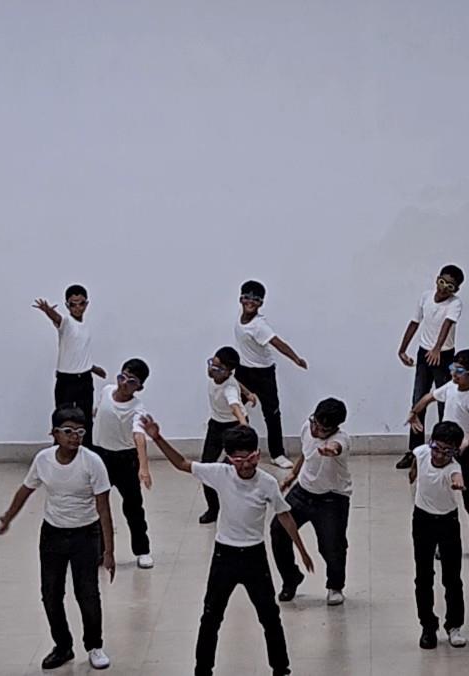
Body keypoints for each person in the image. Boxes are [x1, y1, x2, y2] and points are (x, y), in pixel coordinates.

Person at [143, 418, 310, 676]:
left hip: (255, 557)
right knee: (211, 617)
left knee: (269, 617)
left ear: (258, 454)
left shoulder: (267, 483)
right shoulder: (220, 474)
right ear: (230, 459)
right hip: (225, 556)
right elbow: (182, 464)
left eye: (250, 458)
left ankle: (281, 669)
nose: (245, 465)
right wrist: (157, 438)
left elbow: (284, 515)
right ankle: (202, 670)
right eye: (238, 460)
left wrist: (302, 550)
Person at [0, 408, 118, 670]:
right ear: (54, 433)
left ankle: (94, 646)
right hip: (53, 533)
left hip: (86, 535)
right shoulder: (43, 460)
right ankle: (63, 646)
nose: (74, 437)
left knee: (87, 593)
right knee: (50, 594)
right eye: (68, 431)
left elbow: (104, 509)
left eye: (80, 432)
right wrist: (8, 517)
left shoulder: (93, 462)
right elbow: (26, 490)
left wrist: (109, 551)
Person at [271, 397, 352, 606]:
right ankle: (291, 578)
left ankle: (335, 586)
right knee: (278, 530)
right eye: (315, 423)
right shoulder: (307, 427)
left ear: (334, 428)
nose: (316, 430)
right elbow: (306, 453)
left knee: (331, 545)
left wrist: (331, 450)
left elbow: (337, 447)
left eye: (322, 429)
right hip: (303, 491)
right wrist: (292, 475)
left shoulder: (341, 440)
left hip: (332, 498)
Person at [408, 348, 469, 557]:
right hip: (442, 450)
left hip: (465, 453)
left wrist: (463, 444)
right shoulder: (450, 387)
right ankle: (439, 542)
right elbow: (429, 397)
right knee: (438, 497)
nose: (454, 373)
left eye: (460, 371)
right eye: (453, 367)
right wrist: (414, 412)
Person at [232, 280, 310, 469]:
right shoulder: (240, 319)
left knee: (272, 414)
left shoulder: (260, 326)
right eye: (247, 297)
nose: (250, 302)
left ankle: (277, 454)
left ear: (261, 303)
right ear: (241, 299)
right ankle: (235, 449)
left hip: (263, 374)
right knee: (234, 409)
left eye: (256, 299)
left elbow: (278, 343)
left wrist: (296, 359)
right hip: (243, 371)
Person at [89, 358, 156, 569]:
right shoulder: (106, 391)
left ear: (139, 387)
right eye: (122, 377)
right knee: (97, 505)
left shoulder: (137, 409)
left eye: (131, 381)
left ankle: (142, 550)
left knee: (133, 506)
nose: (124, 383)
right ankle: (99, 551)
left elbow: (139, 437)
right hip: (99, 457)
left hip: (125, 460)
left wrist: (143, 467)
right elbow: (98, 412)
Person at [396, 264, 465, 469]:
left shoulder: (455, 303)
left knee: (445, 402)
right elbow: (414, 322)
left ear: (456, 289)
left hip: (444, 356)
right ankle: (415, 451)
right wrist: (402, 349)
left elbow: (447, 325)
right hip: (424, 354)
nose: (444, 288)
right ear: (437, 279)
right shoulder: (426, 297)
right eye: (442, 282)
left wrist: (437, 349)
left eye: (450, 286)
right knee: (418, 400)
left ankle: (446, 450)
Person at [409, 421, 469, 650]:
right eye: (437, 449)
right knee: (423, 576)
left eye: (448, 452)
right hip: (422, 520)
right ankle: (427, 626)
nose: (440, 455)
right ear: (431, 443)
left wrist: (458, 483)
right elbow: (416, 460)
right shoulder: (422, 452)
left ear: (455, 452)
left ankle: (454, 625)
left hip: (447, 522)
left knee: (452, 577)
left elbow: (457, 477)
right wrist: (413, 472)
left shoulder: (453, 468)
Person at [35, 286, 107, 431]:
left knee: (86, 418)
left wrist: (93, 368)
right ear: (67, 306)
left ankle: (86, 445)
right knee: (63, 418)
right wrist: (48, 311)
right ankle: (60, 445)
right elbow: (57, 318)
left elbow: (79, 351)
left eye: (81, 303)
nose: (78, 308)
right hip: (66, 380)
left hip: (85, 379)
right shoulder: (67, 322)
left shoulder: (85, 326)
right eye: (73, 304)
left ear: (86, 304)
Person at [197, 346, 256, 524]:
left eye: (218, 368)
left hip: (234, 426)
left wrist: (244, 426)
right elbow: (236, 381)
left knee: (234, 469)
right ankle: (213, 509)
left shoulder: (229, 389)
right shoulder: (222, 377)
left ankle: (240, 505)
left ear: (228, 371)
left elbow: (235, 406)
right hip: (216, 424)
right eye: (212, 364)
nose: (212, 370)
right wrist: (248, 393)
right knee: (206, 468)